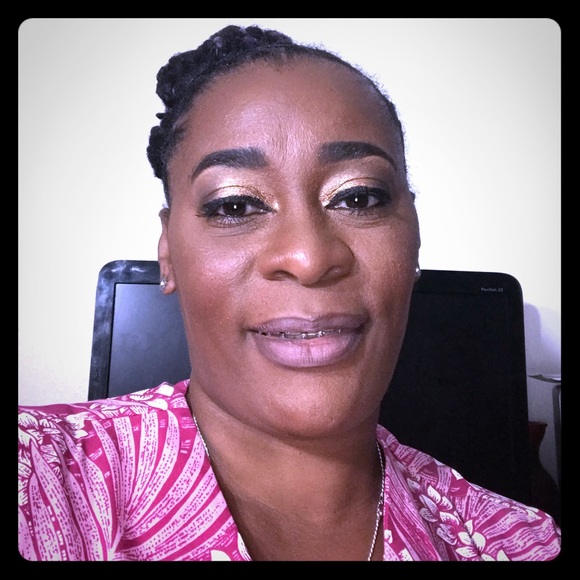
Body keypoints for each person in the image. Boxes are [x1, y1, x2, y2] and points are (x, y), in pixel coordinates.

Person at [17, 24, 561, 562]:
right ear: (168, 252)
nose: (308, 257)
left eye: (359, 197)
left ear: (414, 233)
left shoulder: (515, 542)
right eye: (235, 205)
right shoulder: (40, 480)